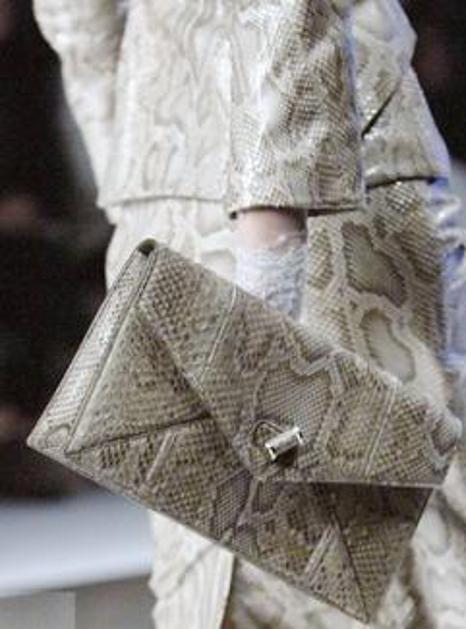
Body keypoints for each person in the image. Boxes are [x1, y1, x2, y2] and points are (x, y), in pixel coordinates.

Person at [33, 0, 466, 626]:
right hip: (332, 175)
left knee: (232, 570)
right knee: (414, 551)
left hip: (175, 176)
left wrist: (132, 158)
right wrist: (270, 234)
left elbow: (79, 19)